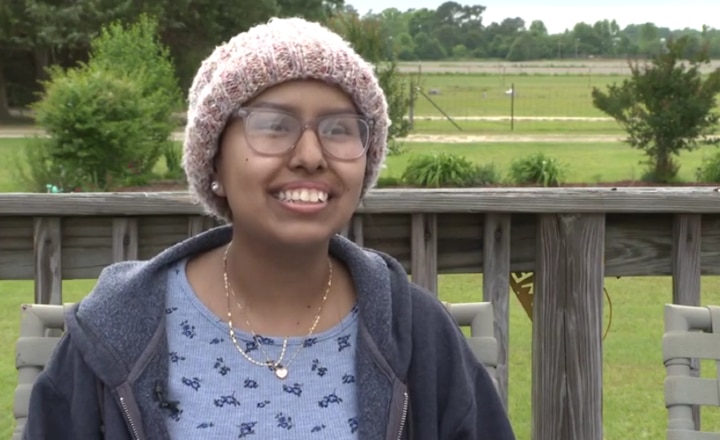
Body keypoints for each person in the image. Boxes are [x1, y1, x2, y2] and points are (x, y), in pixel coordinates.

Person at [23, 17, 516, 440]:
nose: (309, 155)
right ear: (213, 158)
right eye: (274, 125)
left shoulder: (417, 335)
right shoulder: (116, 330)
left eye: (339, 128)